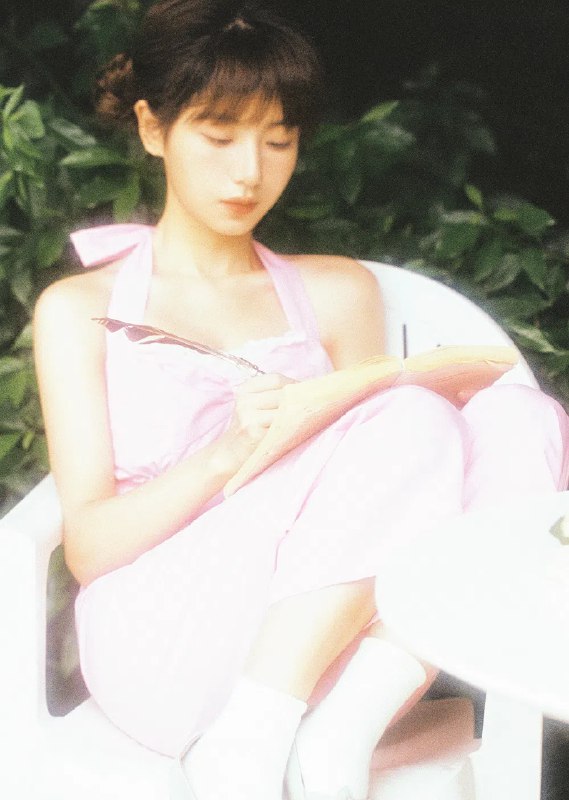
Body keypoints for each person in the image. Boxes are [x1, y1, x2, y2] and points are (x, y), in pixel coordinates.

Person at [33, 1, 569, 799]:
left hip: (330, 658)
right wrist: (228, 453)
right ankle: (245, 743)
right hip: (163, 646)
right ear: (152, 128)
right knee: (406, 412)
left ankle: (337, 736)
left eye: (277, 140)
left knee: (523, 417)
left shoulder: (336, 292)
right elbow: (89, 548)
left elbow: (393, 506)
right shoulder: (81, 309)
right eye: (219, 137)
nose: (249, 171)